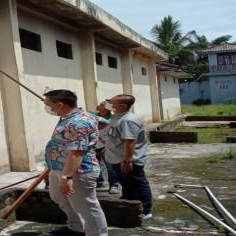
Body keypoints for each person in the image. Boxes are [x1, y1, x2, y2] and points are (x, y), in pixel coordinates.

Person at [43, 89, 108, 236]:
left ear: (60, 105)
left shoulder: (77, 121)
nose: (48, 108)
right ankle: (76, 227)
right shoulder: (74, 116)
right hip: (59, 167)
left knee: (86, 207)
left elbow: (77, 152)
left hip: (77, 171)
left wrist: (67, 177)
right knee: (59, 197)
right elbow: (104, 122)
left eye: (49, 105)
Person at [104, 94, 153, 219]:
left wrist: (127, 160)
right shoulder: (116, 116)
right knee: (126, 183)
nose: (109, 103)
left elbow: (130, 141)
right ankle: (129, 203)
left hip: (127, 159)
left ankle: (146, 209)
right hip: (117, 158)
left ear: (123, 106)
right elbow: (115, 136)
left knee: (138, 183)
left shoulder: (128, 120)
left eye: (112, 102)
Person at [91, 102, 121, 195]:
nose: (100, 105)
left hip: (107, 146)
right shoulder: (92, 116)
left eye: (103, 105)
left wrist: (109, 146)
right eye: (100, 104)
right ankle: (99, 182)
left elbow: (115, 135)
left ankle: (114, 185)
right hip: (93, 145)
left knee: (110, 167)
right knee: (95, 165)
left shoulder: (113, 119)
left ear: (108, 108)